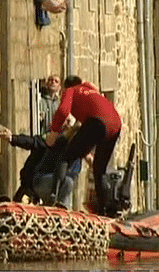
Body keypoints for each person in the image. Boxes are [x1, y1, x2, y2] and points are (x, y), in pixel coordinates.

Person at [46, 75, 122, 216]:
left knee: (66, 157)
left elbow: (63, 110)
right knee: (99, 170)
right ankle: (104, 209)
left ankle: (53, 196)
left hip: (97, 121)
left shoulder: (71, 90)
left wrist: (54, 132)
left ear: (65, 87)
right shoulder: (91, 90)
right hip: (116, 124)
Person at [0, 123, 89, 209]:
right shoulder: (54, 141)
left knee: (68, 183)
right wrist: (12, 138)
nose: (67, 123)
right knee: (67, 182)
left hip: (53, 188)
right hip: (35, 183)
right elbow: (32, 142)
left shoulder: (78, 157)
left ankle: (61, 208)